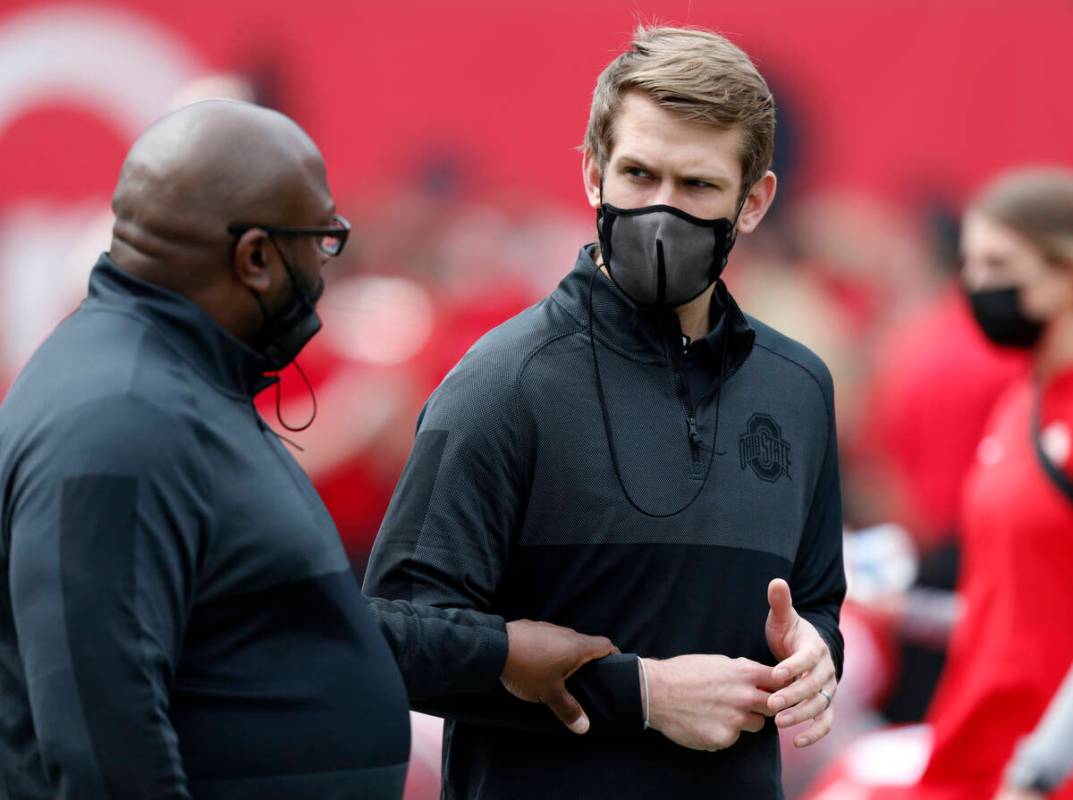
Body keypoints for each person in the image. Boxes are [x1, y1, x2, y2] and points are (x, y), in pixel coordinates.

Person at [0, 100, 617, 800]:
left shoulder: (170, 378)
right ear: (256, 257)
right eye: (320, 243)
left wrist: (497, 654)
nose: (325, 275)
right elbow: (103, 752)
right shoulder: (115, 420)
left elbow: (284, 629)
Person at [365, 26, 846, 799]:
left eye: (695, 186)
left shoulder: (796, 387)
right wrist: (642, 695)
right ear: (592, 173)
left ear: (752, 203)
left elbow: (818, 599)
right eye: (636, 174)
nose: (660, 211)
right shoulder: (502, 383)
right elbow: (394, 638)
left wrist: (816, 655)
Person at [883, 167, 1073, 800]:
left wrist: (1038, 772)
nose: (976, 284)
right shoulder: (1020, 397)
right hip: (971, 753)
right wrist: (904, 610)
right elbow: (1010, 606)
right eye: (969, 262)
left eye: (998, 262)